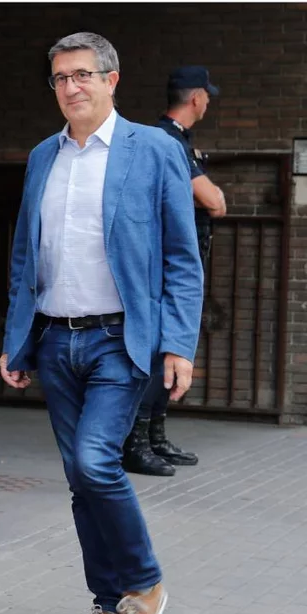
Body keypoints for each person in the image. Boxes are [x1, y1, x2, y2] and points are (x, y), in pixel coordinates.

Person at [0, 33, 203, 614]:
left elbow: (181, 258)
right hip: (56, 341)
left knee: (95, 463)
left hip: (120, 339)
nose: (71, 87)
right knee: (79, 481)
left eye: (83, 75)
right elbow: (24, 258)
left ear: (112, 80)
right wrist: (16, 341)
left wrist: (178, 345)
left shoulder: (154, 150)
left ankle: (144, 585)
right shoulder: (42, 157)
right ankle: (107, 606)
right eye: (60, 78)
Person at [122, 66, 226, 477]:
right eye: (208, 96)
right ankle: (137, 441)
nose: (208, 103)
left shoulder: (178, 140)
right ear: (197, 97)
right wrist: (210, 195)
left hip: (178, 264)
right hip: (164, 265)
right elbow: (214, 201)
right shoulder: (166, 140)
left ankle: (154, 436)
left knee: (173, 345)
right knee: (160, 346)